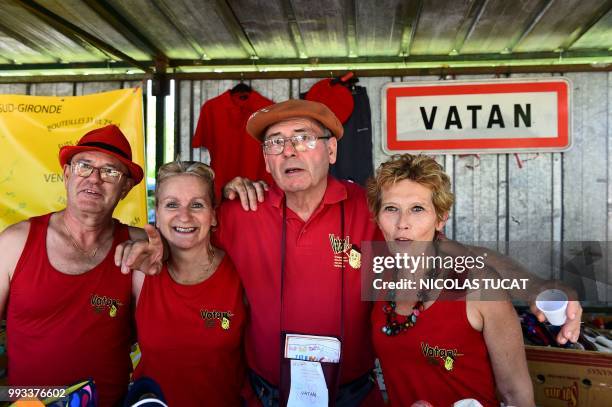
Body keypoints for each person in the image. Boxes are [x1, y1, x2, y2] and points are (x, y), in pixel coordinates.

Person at [118, 99, 582, 406]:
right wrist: (144, 240)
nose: (290, 150)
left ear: (332, 149)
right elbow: (179, 226)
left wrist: (539, 285)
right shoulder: (240, 210)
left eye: (303, 138)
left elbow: (458, 254)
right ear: (265, 160)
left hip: (353, 395)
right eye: (276, 142)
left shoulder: (370, 209)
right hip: (263, 394)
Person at [0, 125, 161, 407]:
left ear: (125, 188)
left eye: (110, 172)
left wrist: (167, 260)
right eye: (84, 166)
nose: (95, 179)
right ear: (66, 175)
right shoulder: (15, 242)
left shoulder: (139, 249)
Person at [367, 154, 534, 406]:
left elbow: (516, 395)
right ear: (378, 218)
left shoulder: (479, 284)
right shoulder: (378, 280)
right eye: (391, 209)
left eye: (417, 209)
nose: (403, 224)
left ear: (440, 218)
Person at [131, 160, 246, 406]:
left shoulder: (240, 273)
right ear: (157, 215)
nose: (184, 216)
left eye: (197, 204)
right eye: (172, 204)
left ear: (214, 215)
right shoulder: (139, 273)